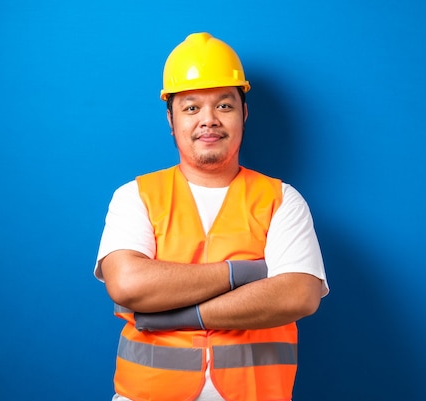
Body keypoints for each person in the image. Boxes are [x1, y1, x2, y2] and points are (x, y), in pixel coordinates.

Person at [94, 32, 329, 401]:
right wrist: (249, 273)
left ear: (243, 114)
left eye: (224, 106)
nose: (209, 120)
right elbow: (127, 285)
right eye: (191, 108)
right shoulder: (134, 196)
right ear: (171, 119)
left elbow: (298, 295)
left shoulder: (283, 199)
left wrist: (175, 315)